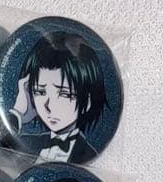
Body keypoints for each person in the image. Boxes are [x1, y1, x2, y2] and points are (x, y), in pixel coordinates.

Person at [9, 31, 108, 163]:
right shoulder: (24, 142)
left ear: (88, 102)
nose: (48, 106)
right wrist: (17, 113)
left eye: (64, 94)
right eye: (40, 92)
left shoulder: (87, 153)